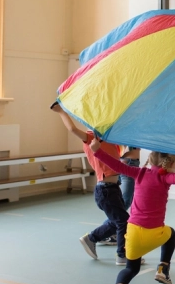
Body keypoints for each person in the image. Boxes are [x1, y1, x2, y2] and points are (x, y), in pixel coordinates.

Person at [89, 139, 175, 284]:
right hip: (153, 233)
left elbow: (117, 166)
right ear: (171, 163)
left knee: (131, 268)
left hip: (132, 233)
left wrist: (97, 151)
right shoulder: (165, 178)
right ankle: (163, 268)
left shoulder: (139, 173)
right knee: (171, 234)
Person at [50, 102, 133, 266]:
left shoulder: (110, 140)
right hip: (106, 191)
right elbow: (73, 130)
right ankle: (121, 255)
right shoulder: (91, 138)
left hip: (112, 189)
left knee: (116, 219)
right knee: (123, 220)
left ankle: (91, 238)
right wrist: (61, 112)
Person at [99, 146, 141, 246]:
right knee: (124, 203)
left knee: (124, 201)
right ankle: (103, 233)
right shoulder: (127, 132)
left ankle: (105, 232)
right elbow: (122, 148)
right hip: (128, 163)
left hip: (131, 163)